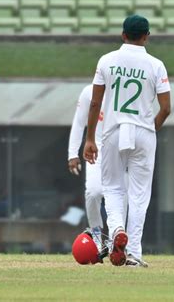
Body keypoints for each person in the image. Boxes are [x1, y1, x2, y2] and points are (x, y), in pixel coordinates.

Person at [83, 14, 171, 268]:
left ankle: (117, 229)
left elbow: (95, 103)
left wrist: (90, 138)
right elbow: (166, 108)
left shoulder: (106, 60)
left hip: (112, 130)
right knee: (140, 194)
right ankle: (132, 252)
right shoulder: (156, 65)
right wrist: (150, 130)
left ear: (123, 35)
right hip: (143, 132)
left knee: (111, 187)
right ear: (146, 37)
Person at [68, 84, 106, 251]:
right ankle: (97, 235)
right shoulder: (88, 92)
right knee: (93, 191)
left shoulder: (124, 90)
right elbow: (78, 122)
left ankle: (121, 240)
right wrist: (72, 154)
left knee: (120, 196)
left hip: (122, 152)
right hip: (96, 150)